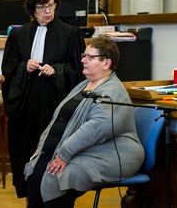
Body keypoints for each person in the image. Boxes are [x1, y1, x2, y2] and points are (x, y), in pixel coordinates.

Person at [24, 36, 145, 207]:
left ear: (106, 63)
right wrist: (43, 147)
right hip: (86, 148)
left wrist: (64, 154)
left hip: (114, 154)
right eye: (84, 55)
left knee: (57, 175)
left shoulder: (112, 91)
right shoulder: (84, 85)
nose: (83, 60)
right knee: (35, 172)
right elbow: (57, 117)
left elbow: (96, 128)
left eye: (90, 57)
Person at [1, 0, 86, 198]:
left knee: (52, 148)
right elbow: (8, 71)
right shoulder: (18, 36)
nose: (47, 12)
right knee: (26, 148)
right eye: (41, 7)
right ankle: (30, 192)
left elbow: (78, 70)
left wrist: (56, 70)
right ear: (32, 9)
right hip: (26, 103)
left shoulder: (71, 34)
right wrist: (23, 66)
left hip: (54, 102)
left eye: (50, 5)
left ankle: (56, 194)